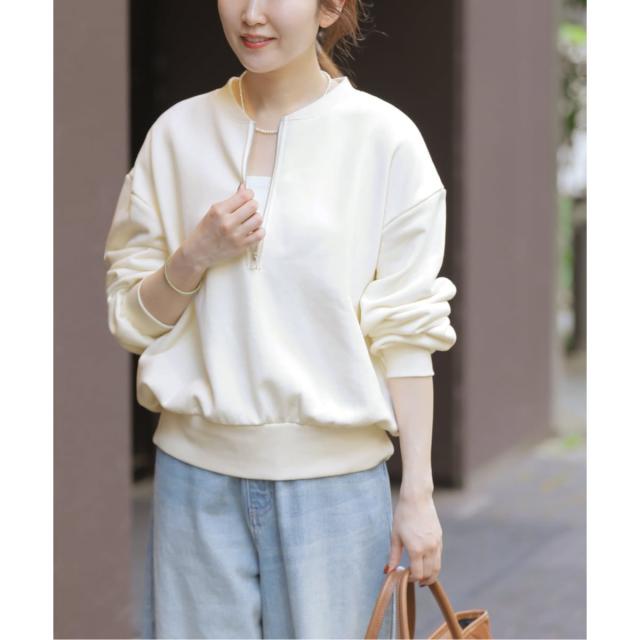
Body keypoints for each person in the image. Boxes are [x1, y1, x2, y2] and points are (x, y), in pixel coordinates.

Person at [103, 0, 457, 637]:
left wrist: (419, 494)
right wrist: (193, 256)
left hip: (335, 493)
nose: (251, 14)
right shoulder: (176, 135)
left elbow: (406, 334)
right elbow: (131, 321)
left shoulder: (386, 141)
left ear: (330, 8)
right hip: (193, 482)